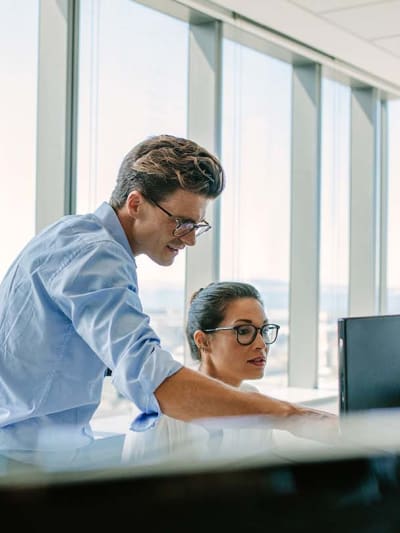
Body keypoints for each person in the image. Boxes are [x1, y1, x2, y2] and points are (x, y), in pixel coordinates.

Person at [0, 134, 336, 460]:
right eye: (181, 223)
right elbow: (154, 380)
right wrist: (291, 416)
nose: (189, 240)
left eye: (196, 227)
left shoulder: (74, 236)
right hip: (24, 459)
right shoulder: (95, 255)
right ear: (136, 204)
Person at [122, 281, 279, 463]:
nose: (261, 344)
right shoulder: (161, 413)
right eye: (244, 331)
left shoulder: (254, 400)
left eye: (264, 330)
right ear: (203, 341)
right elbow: (137, 489)